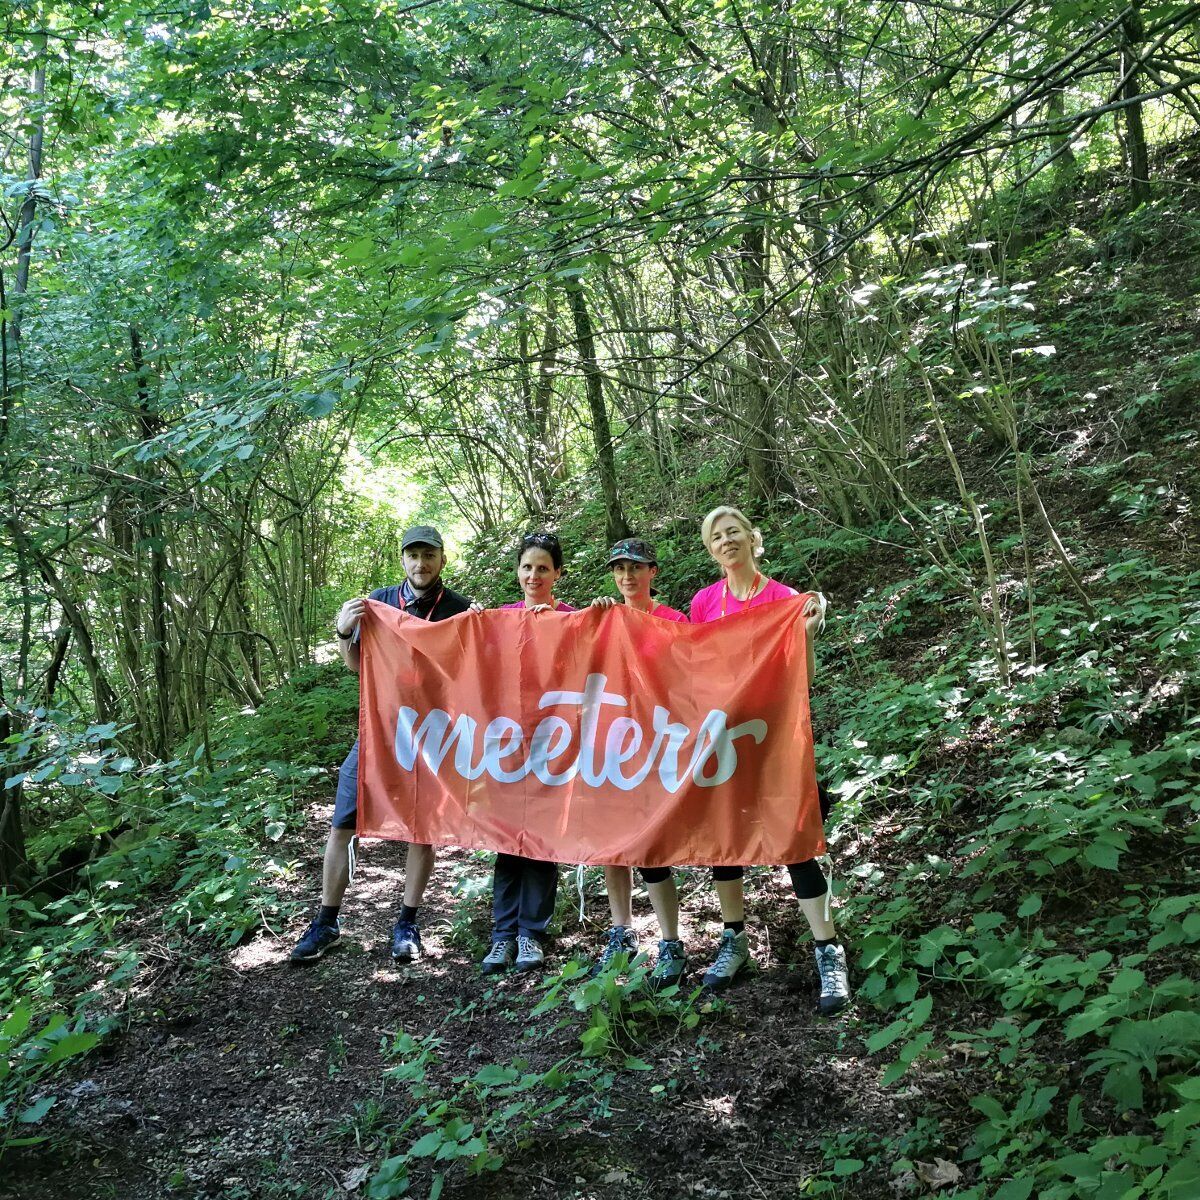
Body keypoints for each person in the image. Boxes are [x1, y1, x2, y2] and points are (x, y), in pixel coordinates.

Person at [641, 506, 852, 1014]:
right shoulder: (704, 602)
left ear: (752, 539)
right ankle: (734, 939)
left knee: (794, 837)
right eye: (716, 535)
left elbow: (804, 671)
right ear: (710, 550)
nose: (726, 540)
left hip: (776, 736)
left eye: (733, 530)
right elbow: (693, 667)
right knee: (724, 835)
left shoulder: (784, 599)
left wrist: (808, 625)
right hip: (723, 737)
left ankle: (828, 949)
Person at [289, 525, 473, 965]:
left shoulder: (459, 608)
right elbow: (358, 665)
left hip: (431, 737)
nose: (420, 563)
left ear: (442, 560)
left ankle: (407, 921)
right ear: (403, 560)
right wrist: (341, 631)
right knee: (343, 823)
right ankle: (326, 920)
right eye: (413, 555)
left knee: (423, 828)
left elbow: (472, 675)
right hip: (378, 730)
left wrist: (481, 628)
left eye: (429, 555)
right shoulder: (380, 602)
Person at [585, 538, 690, 987]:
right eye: (619, 569)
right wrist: (592, 618)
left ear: (653, 572)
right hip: (611, 743)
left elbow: (689, 675)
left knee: (651, 848)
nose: (627, 576)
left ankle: (670, 943)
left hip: (657, 744)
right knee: (613, 845)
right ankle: (622, 932)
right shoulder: (605, 617)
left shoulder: (674, 620)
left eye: (636, 567)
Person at [480, 531, 575, 976]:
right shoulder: (500, 619)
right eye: (527, 567)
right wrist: (475, 624)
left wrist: (599, 616)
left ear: (556, 573)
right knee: (507, 839)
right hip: (507, 743)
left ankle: (530, 935)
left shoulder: (573, 618)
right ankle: (502, 936)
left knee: (539, 839)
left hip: (555, 744)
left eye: (543, 567)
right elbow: (474, 663)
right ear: (517, 572)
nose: (534, 575)